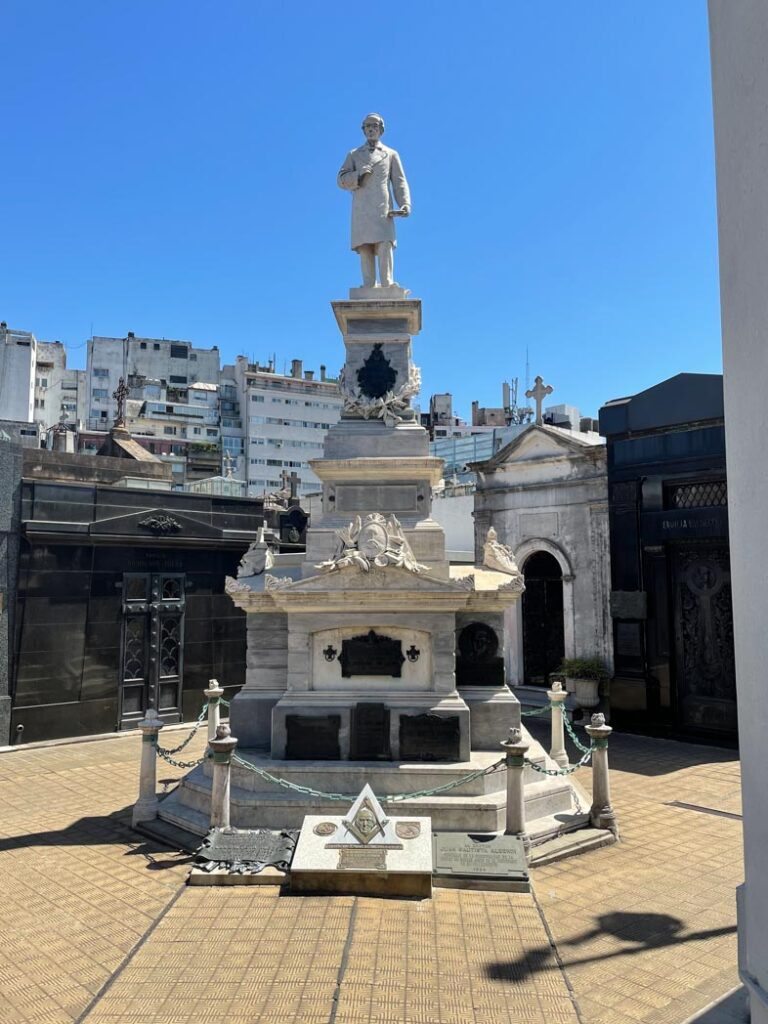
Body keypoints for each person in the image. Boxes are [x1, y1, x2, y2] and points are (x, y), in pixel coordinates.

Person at [337, 113, 411, 288]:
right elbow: (341, 180)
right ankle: (368, 285)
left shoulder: (391, 154)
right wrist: (358, 175)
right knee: (365, 246)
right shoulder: (354, 154)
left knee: (385, 244)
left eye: (374, 126)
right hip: (362, 207)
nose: (371, 129)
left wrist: (405, 203)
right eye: (367, 126)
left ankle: (387, 283)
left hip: (383, 207)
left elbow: (399, 181)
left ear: (381, 130)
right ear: (363, 130)